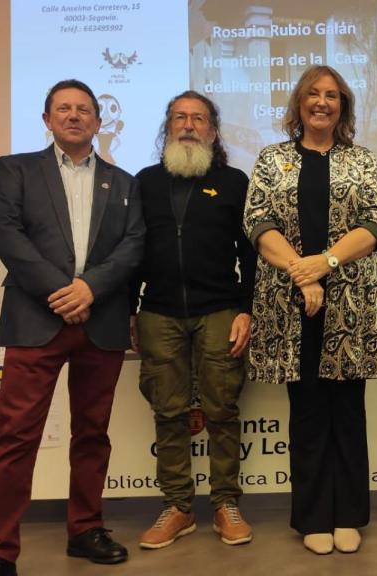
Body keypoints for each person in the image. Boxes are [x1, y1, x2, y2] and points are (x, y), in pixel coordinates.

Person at [0, 79, 145, 576]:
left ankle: (86, 529)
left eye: (84, 109)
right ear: (47, 120)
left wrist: (89, 289)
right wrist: (63, 291)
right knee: (15, 438)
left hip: (101, 321)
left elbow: (133, 245)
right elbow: (7, 234)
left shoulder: (125, 182)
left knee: (92, 434)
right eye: (64, 109)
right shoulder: (15, 169)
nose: (74, 116)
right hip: (35, 319)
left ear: (98, 121)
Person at [243, 65, 377, 555]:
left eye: (332, 95)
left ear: (343, 106)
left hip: (350, 303)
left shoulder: (361, 160)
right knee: (306, 411)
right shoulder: (272, 159)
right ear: (299, 104)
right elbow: (258, 223)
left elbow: (375, 223)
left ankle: (348, 513)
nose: (322, 102)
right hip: (290, 304)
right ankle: (311, 516)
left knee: (348, 412)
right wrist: (301, 274)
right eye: (313, 93)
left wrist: (322, 265)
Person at [130, 91, 256, 549]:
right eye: (179, 118)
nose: (188, 125)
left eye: (198, 118)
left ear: (213, 131)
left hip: (221, 308)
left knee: (222, 408)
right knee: (168, 411)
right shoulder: (142, 182)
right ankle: (178, 506)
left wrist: (247, 308)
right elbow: (129, 253)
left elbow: (251, 253)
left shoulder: (233, 182)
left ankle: (225, 503)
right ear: (167, 128)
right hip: (158, 311)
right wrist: (129, 308)